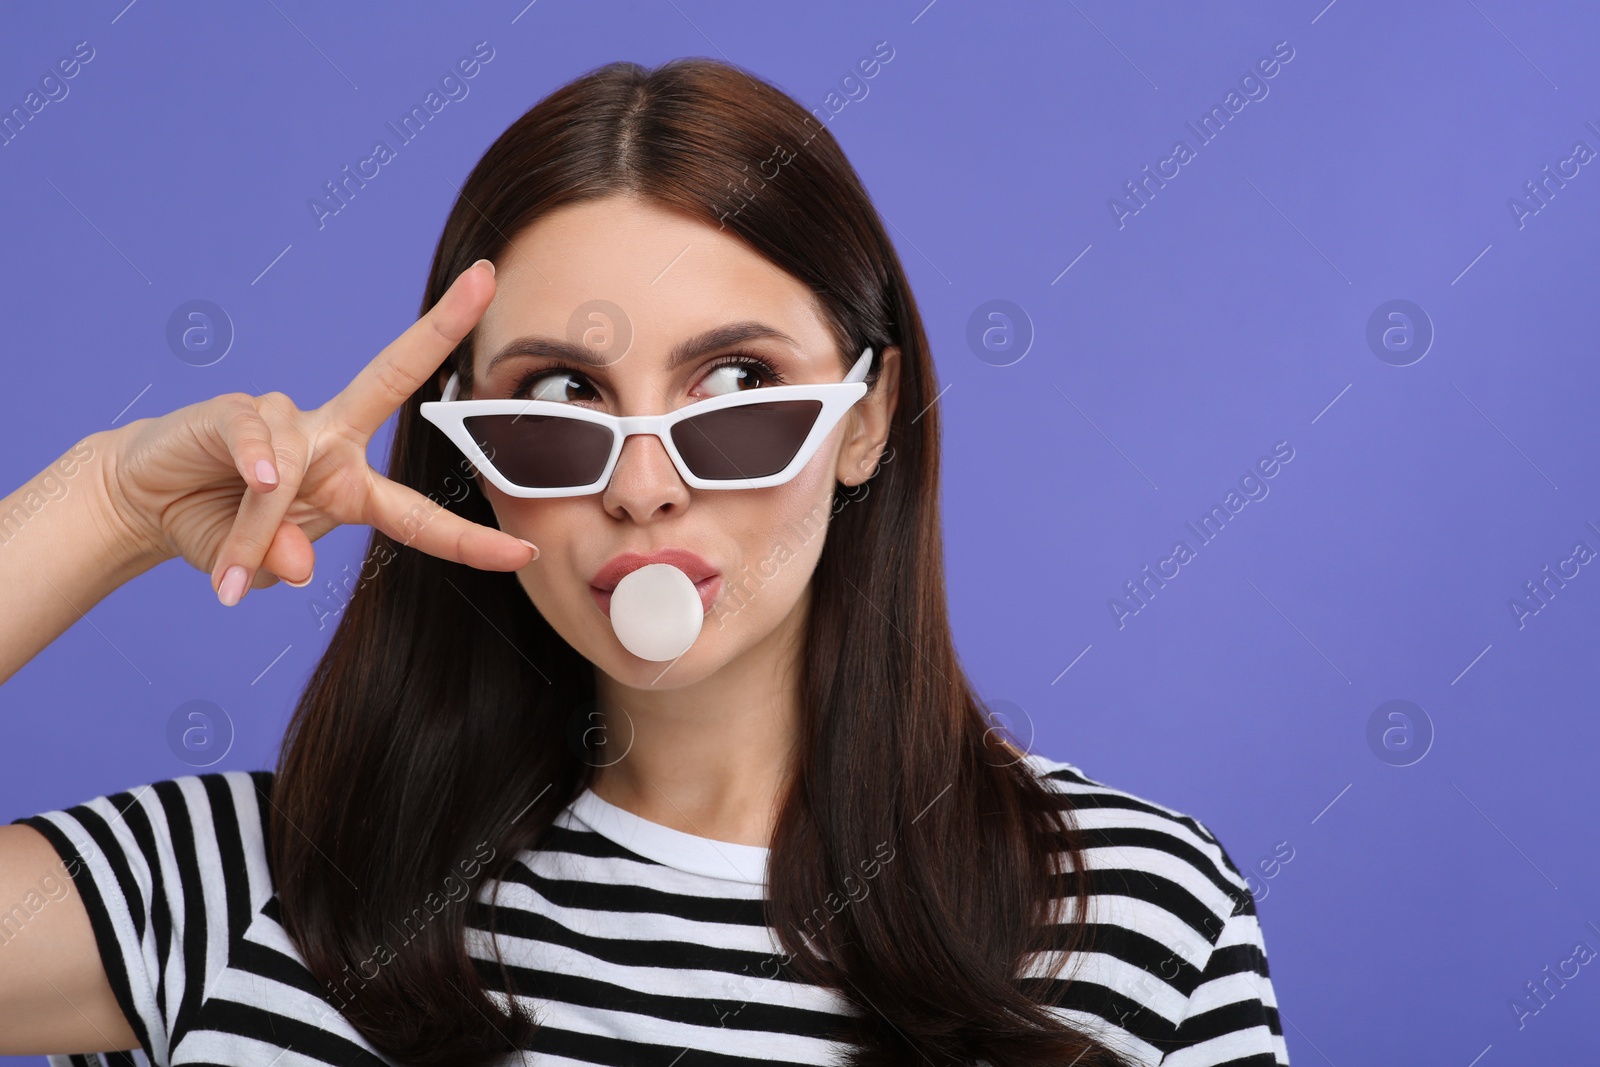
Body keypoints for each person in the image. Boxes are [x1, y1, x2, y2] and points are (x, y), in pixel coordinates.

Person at [0, 57, 1288, 1067]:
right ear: (474, 453)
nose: (642, 485)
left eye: (737, 384)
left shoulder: (1130, 924)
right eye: (560, 394)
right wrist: (103, 501)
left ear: (870, 417)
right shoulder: (269, 881)